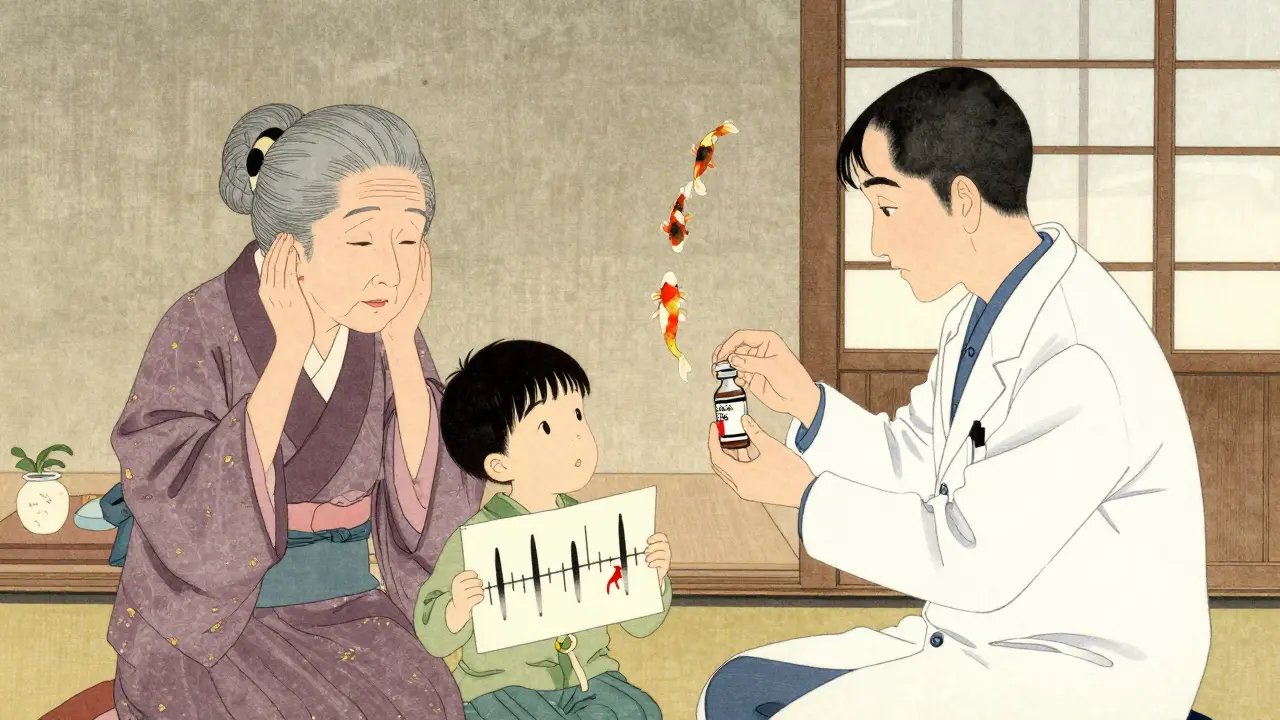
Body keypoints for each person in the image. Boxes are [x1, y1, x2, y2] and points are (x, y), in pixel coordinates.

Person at [696, 68, 1211, 719]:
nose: (878, 242)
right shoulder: (978, 313)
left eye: (887, 208)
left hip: (1078, 669)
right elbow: (923, 465)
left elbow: (972, 557)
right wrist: (806, 404)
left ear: (962, 201)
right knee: (736, 689)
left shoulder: (1078, 352)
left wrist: (799, 494)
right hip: (981, 640)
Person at [98, 103, 485, 719]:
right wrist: (287, 355)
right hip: (215, 625)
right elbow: (169, 485)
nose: (391, 267)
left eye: (408, 238)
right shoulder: (200, 322)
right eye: (360, 239)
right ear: (290, 244)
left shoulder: (387, 325)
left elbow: (436, 496)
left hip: (353, 603)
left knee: (426, 703)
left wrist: (402, 343)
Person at [418, 339, 671, 720]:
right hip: (499, 686)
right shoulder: (476, 539)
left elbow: (641, 624)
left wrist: (653, 577)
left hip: (591, 678)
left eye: (578, 415)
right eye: (547, 427)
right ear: (499, 466)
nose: (575, 436)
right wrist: (456, 608)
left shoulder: (598, 527)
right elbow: (434, 637)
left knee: (640, 712)